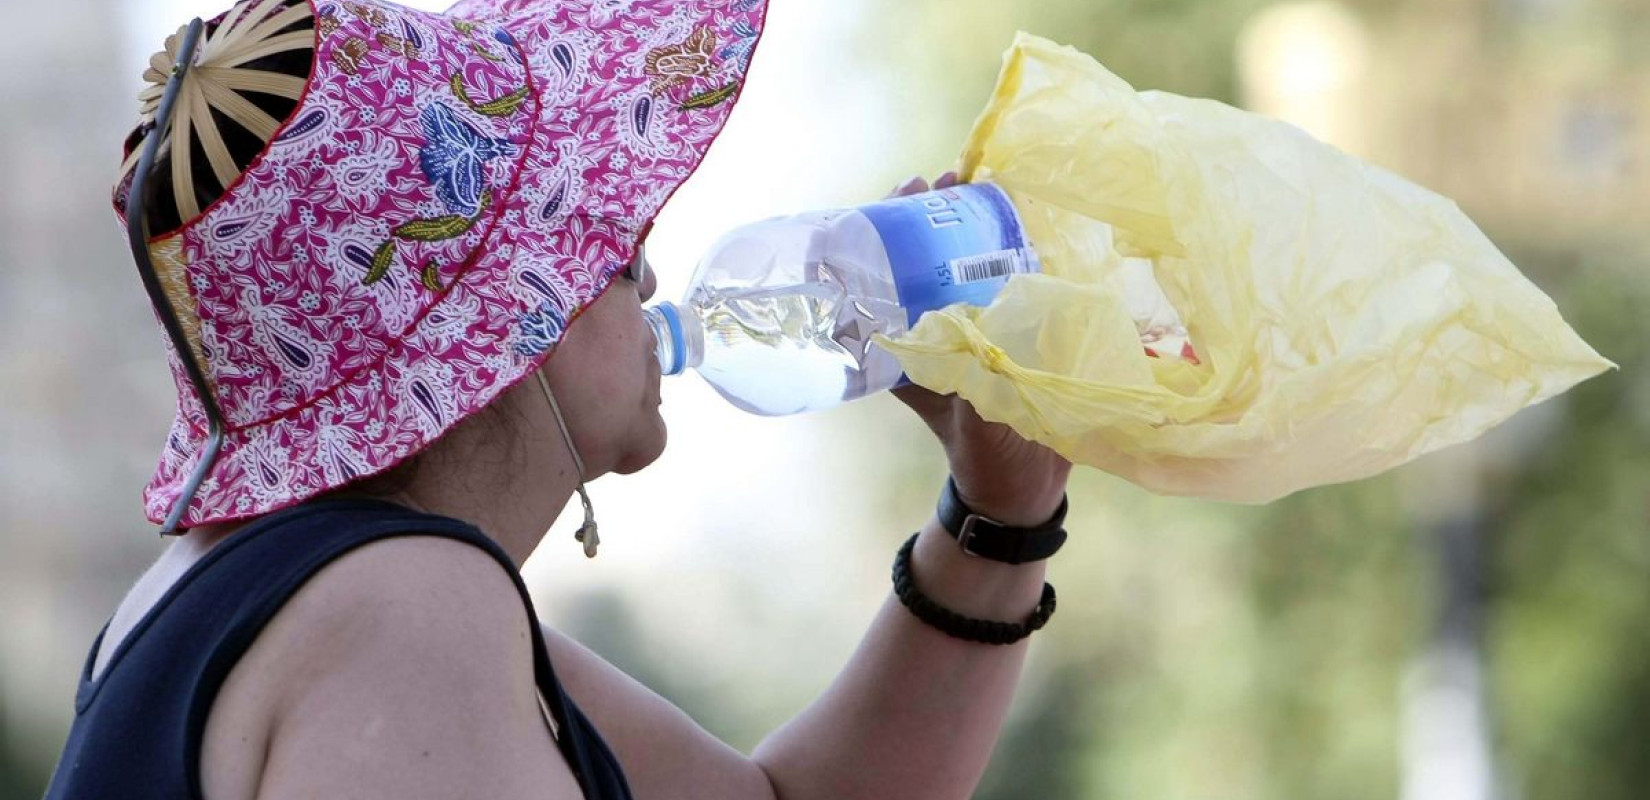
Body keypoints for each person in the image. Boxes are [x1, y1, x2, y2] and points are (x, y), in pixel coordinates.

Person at [47, 0, 1073, 797]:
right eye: (615, 241)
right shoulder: (404, 613)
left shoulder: (283, 596)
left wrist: (1002, 515)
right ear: (505, 311)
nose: (654, 278)